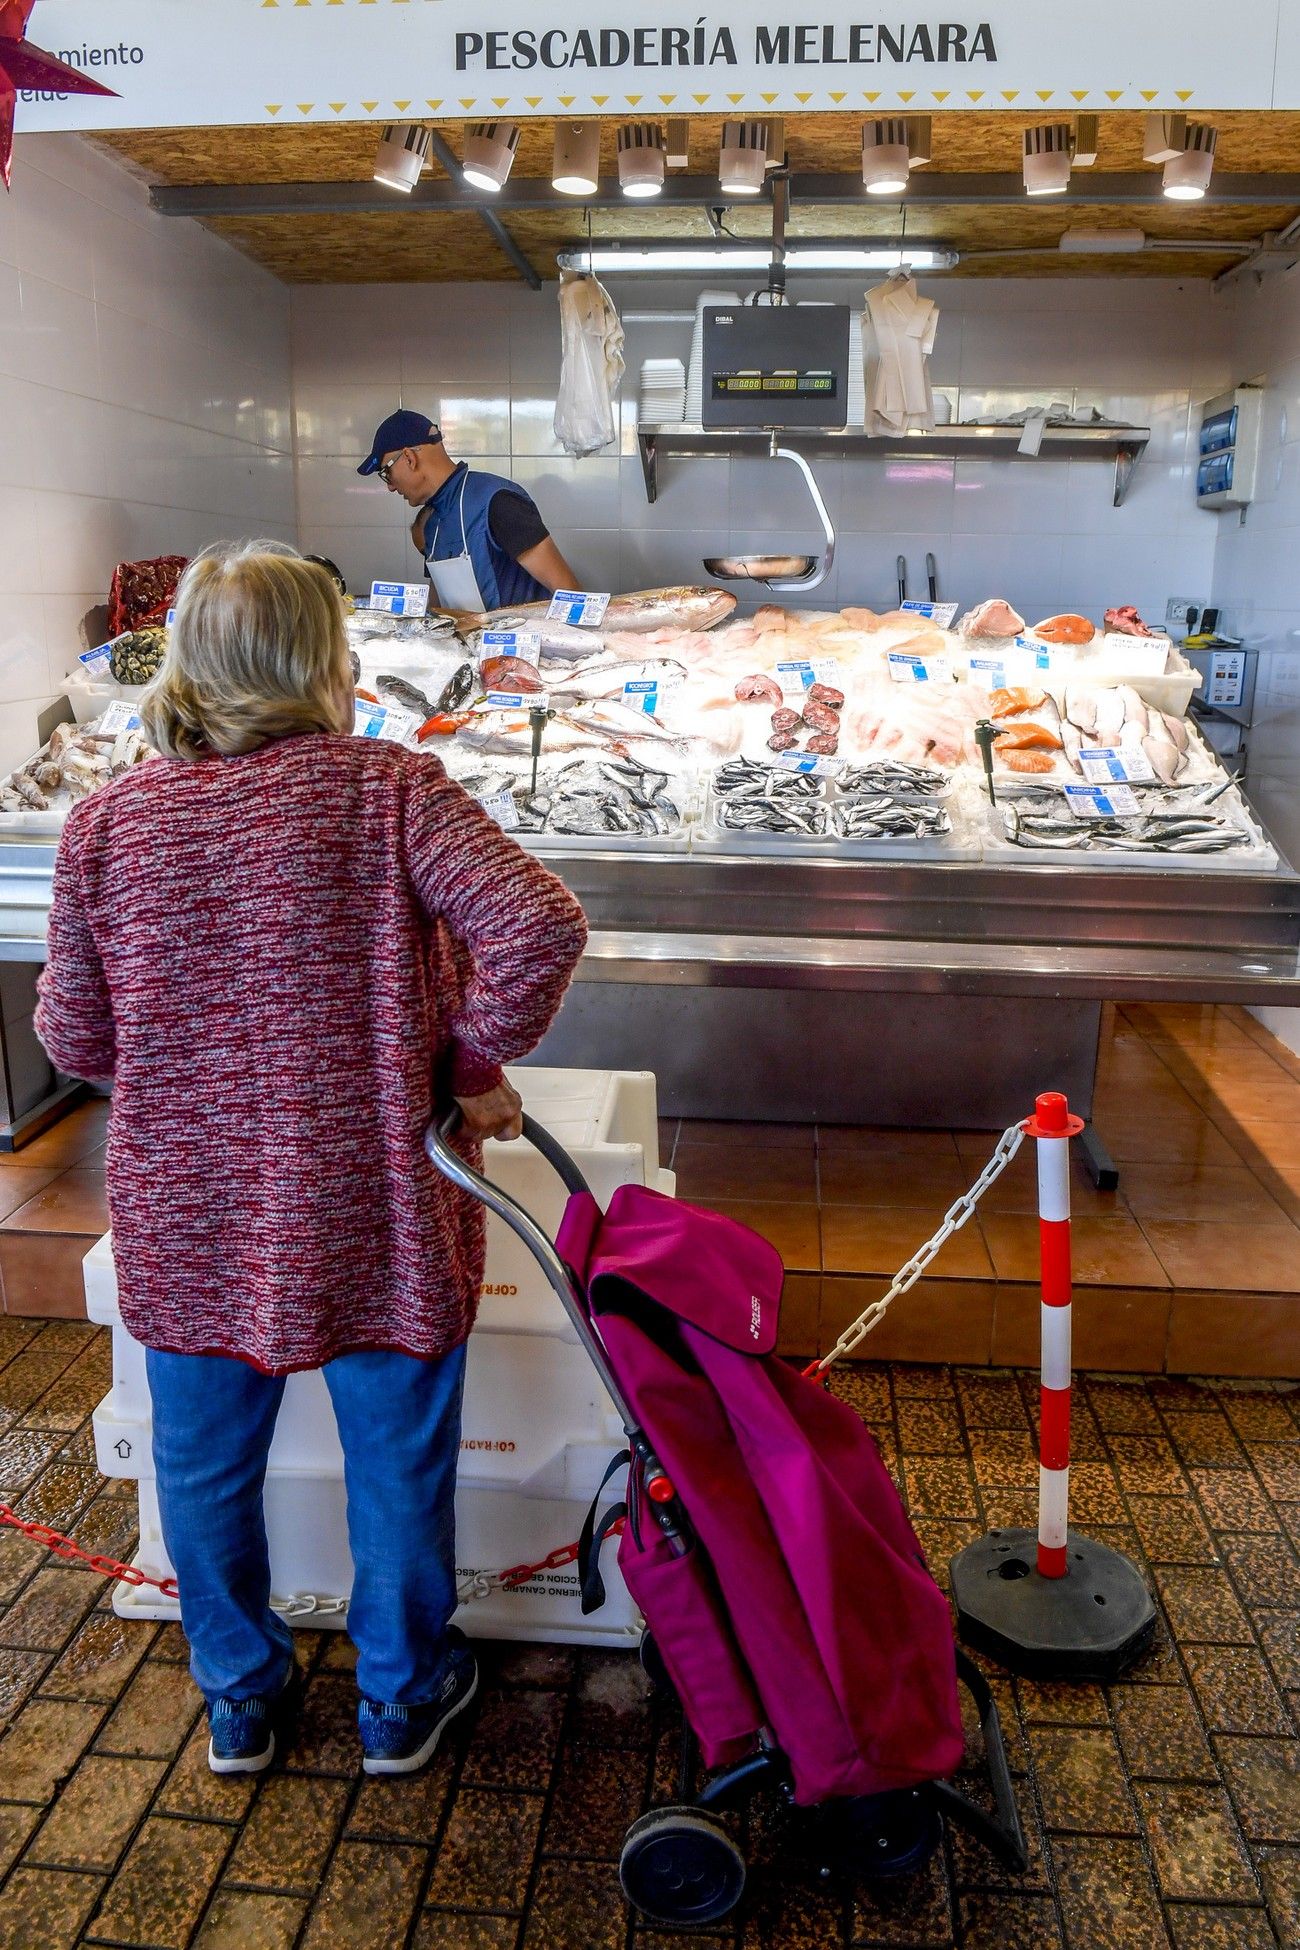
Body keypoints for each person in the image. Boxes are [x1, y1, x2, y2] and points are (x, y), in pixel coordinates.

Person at [35, 541, 587, 1779]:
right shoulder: (390, 788)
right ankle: (398, 1697)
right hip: (379, 1201)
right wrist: (466, 1062)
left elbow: (75, 1036)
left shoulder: (110, 821)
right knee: (396, 1462)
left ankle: (239, 1697)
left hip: (191, 1211)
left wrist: (195, 1065)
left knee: (201, 1463)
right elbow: (538, 923)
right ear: (322, 661)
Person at [357, 408, 579, 612]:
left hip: (518, 650)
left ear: (409, 458)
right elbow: (440, 608)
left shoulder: (497, 501)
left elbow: (570, 592)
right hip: (467, 651)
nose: (390, 486)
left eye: (386, 473)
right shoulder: (430, 525)